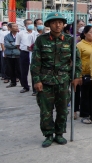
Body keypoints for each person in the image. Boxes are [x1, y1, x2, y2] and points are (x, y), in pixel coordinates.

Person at [30, 12, 82, 147]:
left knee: (63, 109)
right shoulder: (41, 40)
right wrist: (37, 80)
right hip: (45, 81)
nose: (57, 25)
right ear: (48, 24)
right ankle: (48, 134)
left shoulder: (70, 40)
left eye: (60, 22)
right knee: (45, 110)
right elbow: (35, 62)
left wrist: (76, 76)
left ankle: (59, 134)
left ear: (63, 24)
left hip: (63, 80)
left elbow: (76, 60)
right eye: (54, 22)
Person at [77, 25, 92, 124]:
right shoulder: (80, 45)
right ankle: (85, 115)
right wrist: (79, 75)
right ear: (85, 34)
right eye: (91, 32)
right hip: (84, 74)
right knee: (85, 96)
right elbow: (77, 61)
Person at [16, 19, 35, 94]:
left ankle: (35, 89)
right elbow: (17, 45)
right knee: (24, 71)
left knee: (34, 71)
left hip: (33, 53)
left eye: (31, 23)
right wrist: (23, 50)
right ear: (25, 25)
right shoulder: (20, 34)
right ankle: (25, 86)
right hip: (24, 53)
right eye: (28, 23)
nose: (30, 25)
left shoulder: (35, 33)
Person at [4, 23, 20, 89]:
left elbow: (21, 44)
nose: (16, 27)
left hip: (18, 55)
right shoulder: (7, 36)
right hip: (10, 55)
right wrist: (16, 44)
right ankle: (13, 82)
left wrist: (12, 43)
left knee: (20, 70)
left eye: (17, 26)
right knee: (11, 70)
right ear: (10, 28)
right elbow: (7, 45)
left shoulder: (20, 35)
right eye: (14, 26)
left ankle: (23, 84)